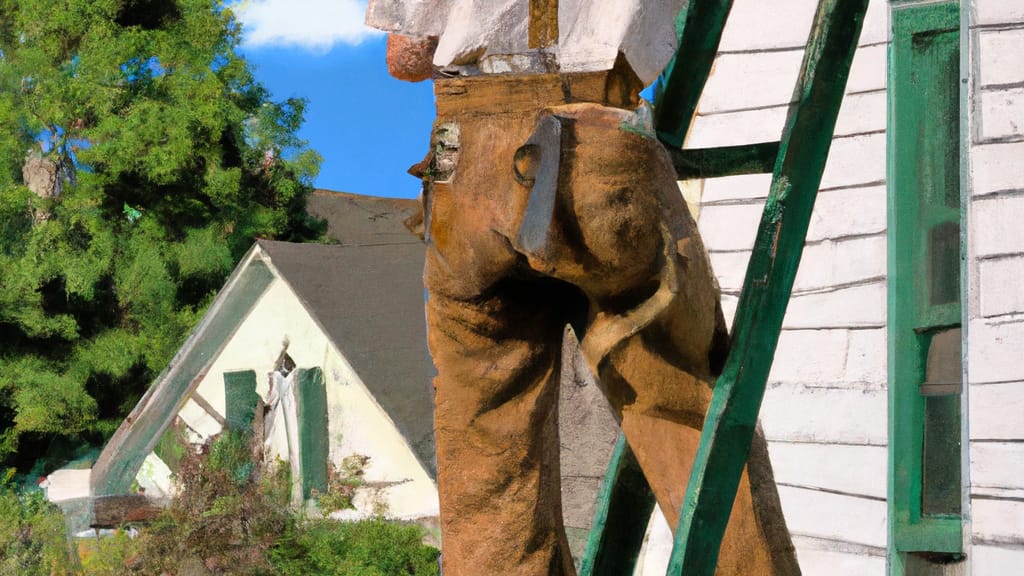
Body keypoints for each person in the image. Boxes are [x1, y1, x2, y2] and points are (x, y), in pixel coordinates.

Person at [366, 3, 799, 574]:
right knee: (682, 406)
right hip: (596, 140)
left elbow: (406, 58)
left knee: (485, 447)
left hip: (463, 161)